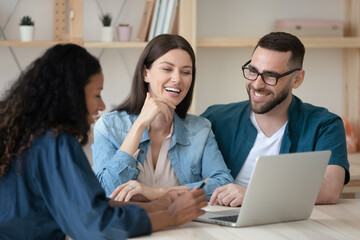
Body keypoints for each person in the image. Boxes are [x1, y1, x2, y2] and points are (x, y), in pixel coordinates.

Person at [0, 43, 207, 240]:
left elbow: (90, 205)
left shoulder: (26, 136)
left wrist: (159, 205)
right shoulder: (55, 143)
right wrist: (170, 215)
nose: (102, 105)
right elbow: (97, 226)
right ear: (72, 96)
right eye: (97, 95)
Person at [201, 32, 350, 207]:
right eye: (253, 71)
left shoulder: (325, 125)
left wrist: (253, 195)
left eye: (271, 76)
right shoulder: (215, 119)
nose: (257, 84)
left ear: (297, 79)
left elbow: (331, 189)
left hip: (290, 228)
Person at [92, 34, 233, 201]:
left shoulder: (200, 129)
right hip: (130, 225)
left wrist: (157, 193)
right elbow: (106, 192)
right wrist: (139, 125)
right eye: (167, 69)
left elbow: (222, 184)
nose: (177, 79)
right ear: (146, 73)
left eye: (186, 72)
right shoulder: (108, 127)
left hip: (185, 226)